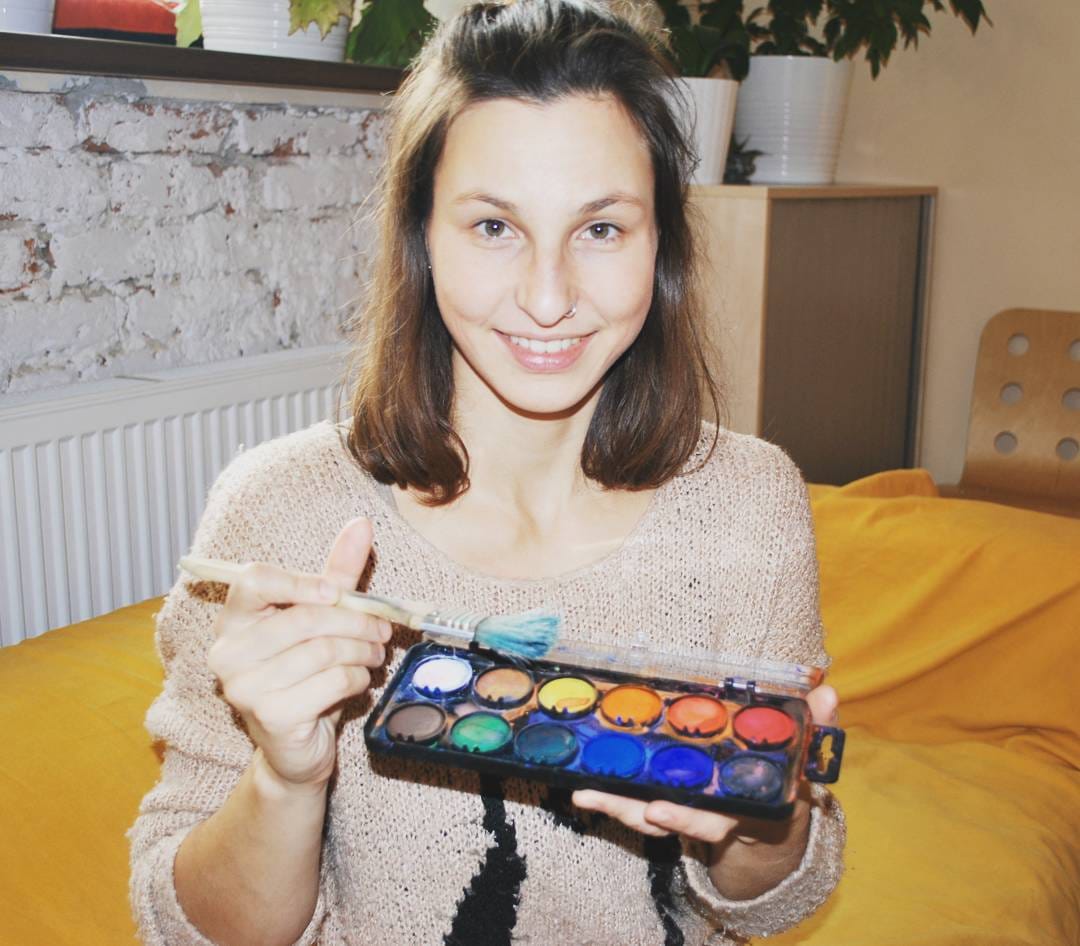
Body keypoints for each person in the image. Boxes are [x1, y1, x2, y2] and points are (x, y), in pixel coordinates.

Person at [128, 2, 846, 944]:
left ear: (662, 244)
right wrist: (283, 778)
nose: (548, 298)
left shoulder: (749, 507)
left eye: (601, 229)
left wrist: (758, 819)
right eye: (495, 226)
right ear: (422, 236)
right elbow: (182, 925)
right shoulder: (280, 510)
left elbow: (777, 896)